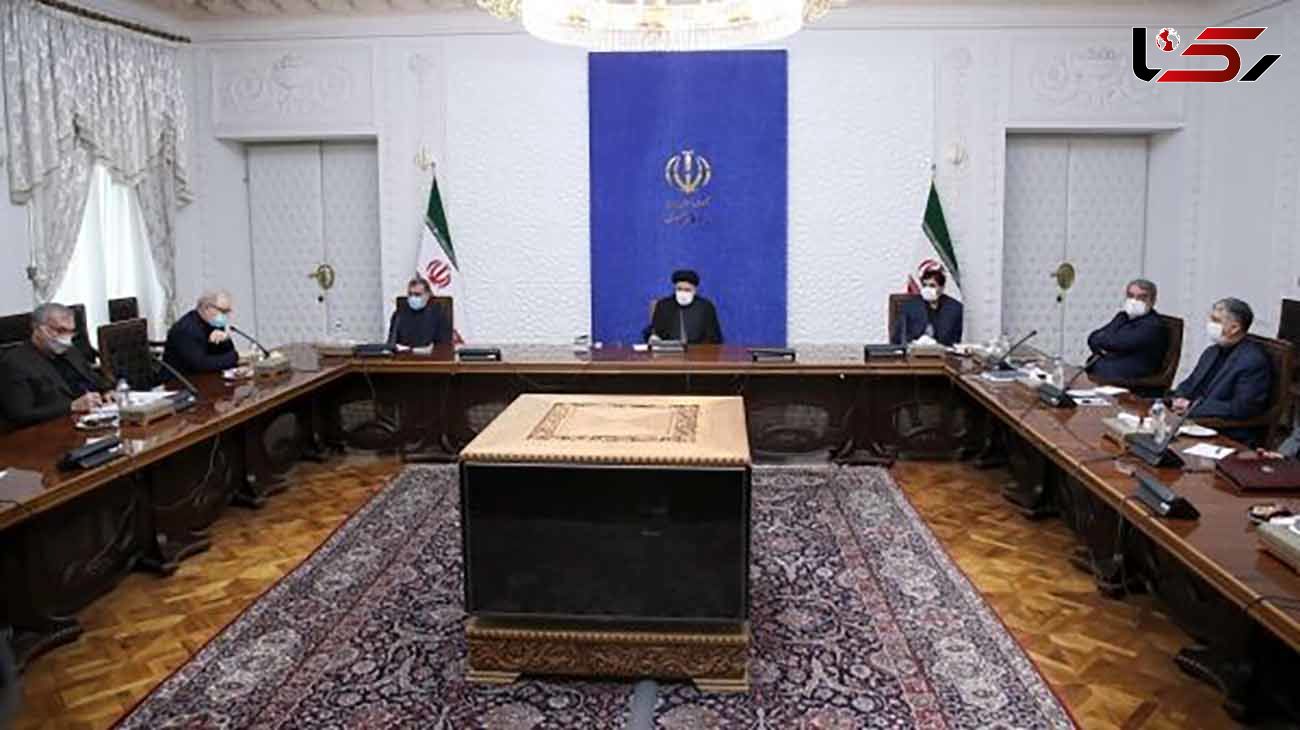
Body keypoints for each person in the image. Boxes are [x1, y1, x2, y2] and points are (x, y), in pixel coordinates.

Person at [1171, 297, 1273, 446]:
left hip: (1224, 432)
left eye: (1216, 320)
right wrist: (1179, 398)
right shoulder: (1212, 351)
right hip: (1193, 421)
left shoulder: (1252, 361)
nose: (1210, 324)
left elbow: (1242, 408)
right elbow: (1190, 383)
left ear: (1234, 328)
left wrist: (1192, 407)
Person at [0, 303, 112, 427]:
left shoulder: (71, 351)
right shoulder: (14, 363)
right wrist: (71, 406)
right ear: (39, 330)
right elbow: (21, 414)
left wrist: (108, 391)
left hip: (93, 419)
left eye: (71, 331)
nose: (67, 338)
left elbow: (94, 379)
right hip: (50, 429)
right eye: (61, 330)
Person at [1086, 278, 1168, 382]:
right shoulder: (1122, 317)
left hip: (1133, 375)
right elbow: (1093, 338)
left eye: (1141, 298)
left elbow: (1120, 343)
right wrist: (1106, 343)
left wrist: (1105, 343)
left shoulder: (1153, 325)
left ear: (1152, 301)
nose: (1134, 301)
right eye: (1131, 296)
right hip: (1106, 367)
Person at [164, 290, 239, 374]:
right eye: (223, 311)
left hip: (205, 377)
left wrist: (226, 340)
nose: (225, 315)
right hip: (178, 380)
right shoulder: (185, 329)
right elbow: (201, 364)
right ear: (207, 307)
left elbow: (224, 356)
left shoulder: (214, 324)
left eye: (228, 311)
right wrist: (235, 356)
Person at [643, 269, 724, 345]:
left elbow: (715, 338)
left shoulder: (706, 307)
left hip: (697, 352)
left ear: (695, 291)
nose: (683, 293)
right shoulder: (663, 305)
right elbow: (654, 331)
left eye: (687, 290)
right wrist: (653, 337)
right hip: (669, 352)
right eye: (679, 289)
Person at [892, 267, 963, 346]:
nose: (927, 289)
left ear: (942, 288)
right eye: (925, 285)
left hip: (941, 351)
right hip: (915, 351)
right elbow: (897, 338)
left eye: (932, 286)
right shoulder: (909, 307)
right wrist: (914, 343)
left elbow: (955, 341)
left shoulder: (955, 309)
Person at [387, 277, 447, 349]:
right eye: (410, 294)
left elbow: (443, 345)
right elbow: (391, 343)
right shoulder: (399, 314)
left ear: (427, 295)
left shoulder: (438, 314)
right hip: (404, 355)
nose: (413, 298)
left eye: (417, 294)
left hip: (429, 355)